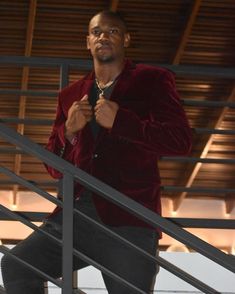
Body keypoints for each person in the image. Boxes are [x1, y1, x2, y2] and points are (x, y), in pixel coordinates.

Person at [1, 10, 192, 294]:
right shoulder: (70, 94)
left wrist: (122, 122)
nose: (103, 36)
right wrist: (69, 132)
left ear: (126, 39)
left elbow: (181, 140)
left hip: (129, 217)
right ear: (87, 42)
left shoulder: (153, 79)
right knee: (17, 265)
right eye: (96, 32)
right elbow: (54, 166)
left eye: (112, 31)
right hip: (74, 216)